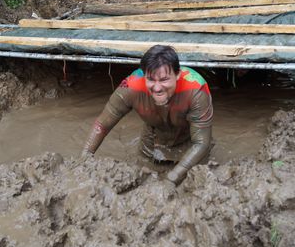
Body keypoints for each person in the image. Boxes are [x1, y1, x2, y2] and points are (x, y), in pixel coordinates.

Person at [81, 45, 213, 185]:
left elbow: (201, 143)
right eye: (150, 79)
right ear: (144, 76)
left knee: (194, 181)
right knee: (143, 177)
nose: (157, 88)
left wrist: (171, 179)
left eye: (164, 80)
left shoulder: (196, 91)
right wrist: (84, 160)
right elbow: (102, 125)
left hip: (189, 141)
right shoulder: (130, 87)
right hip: (152, 139)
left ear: (178, 75)